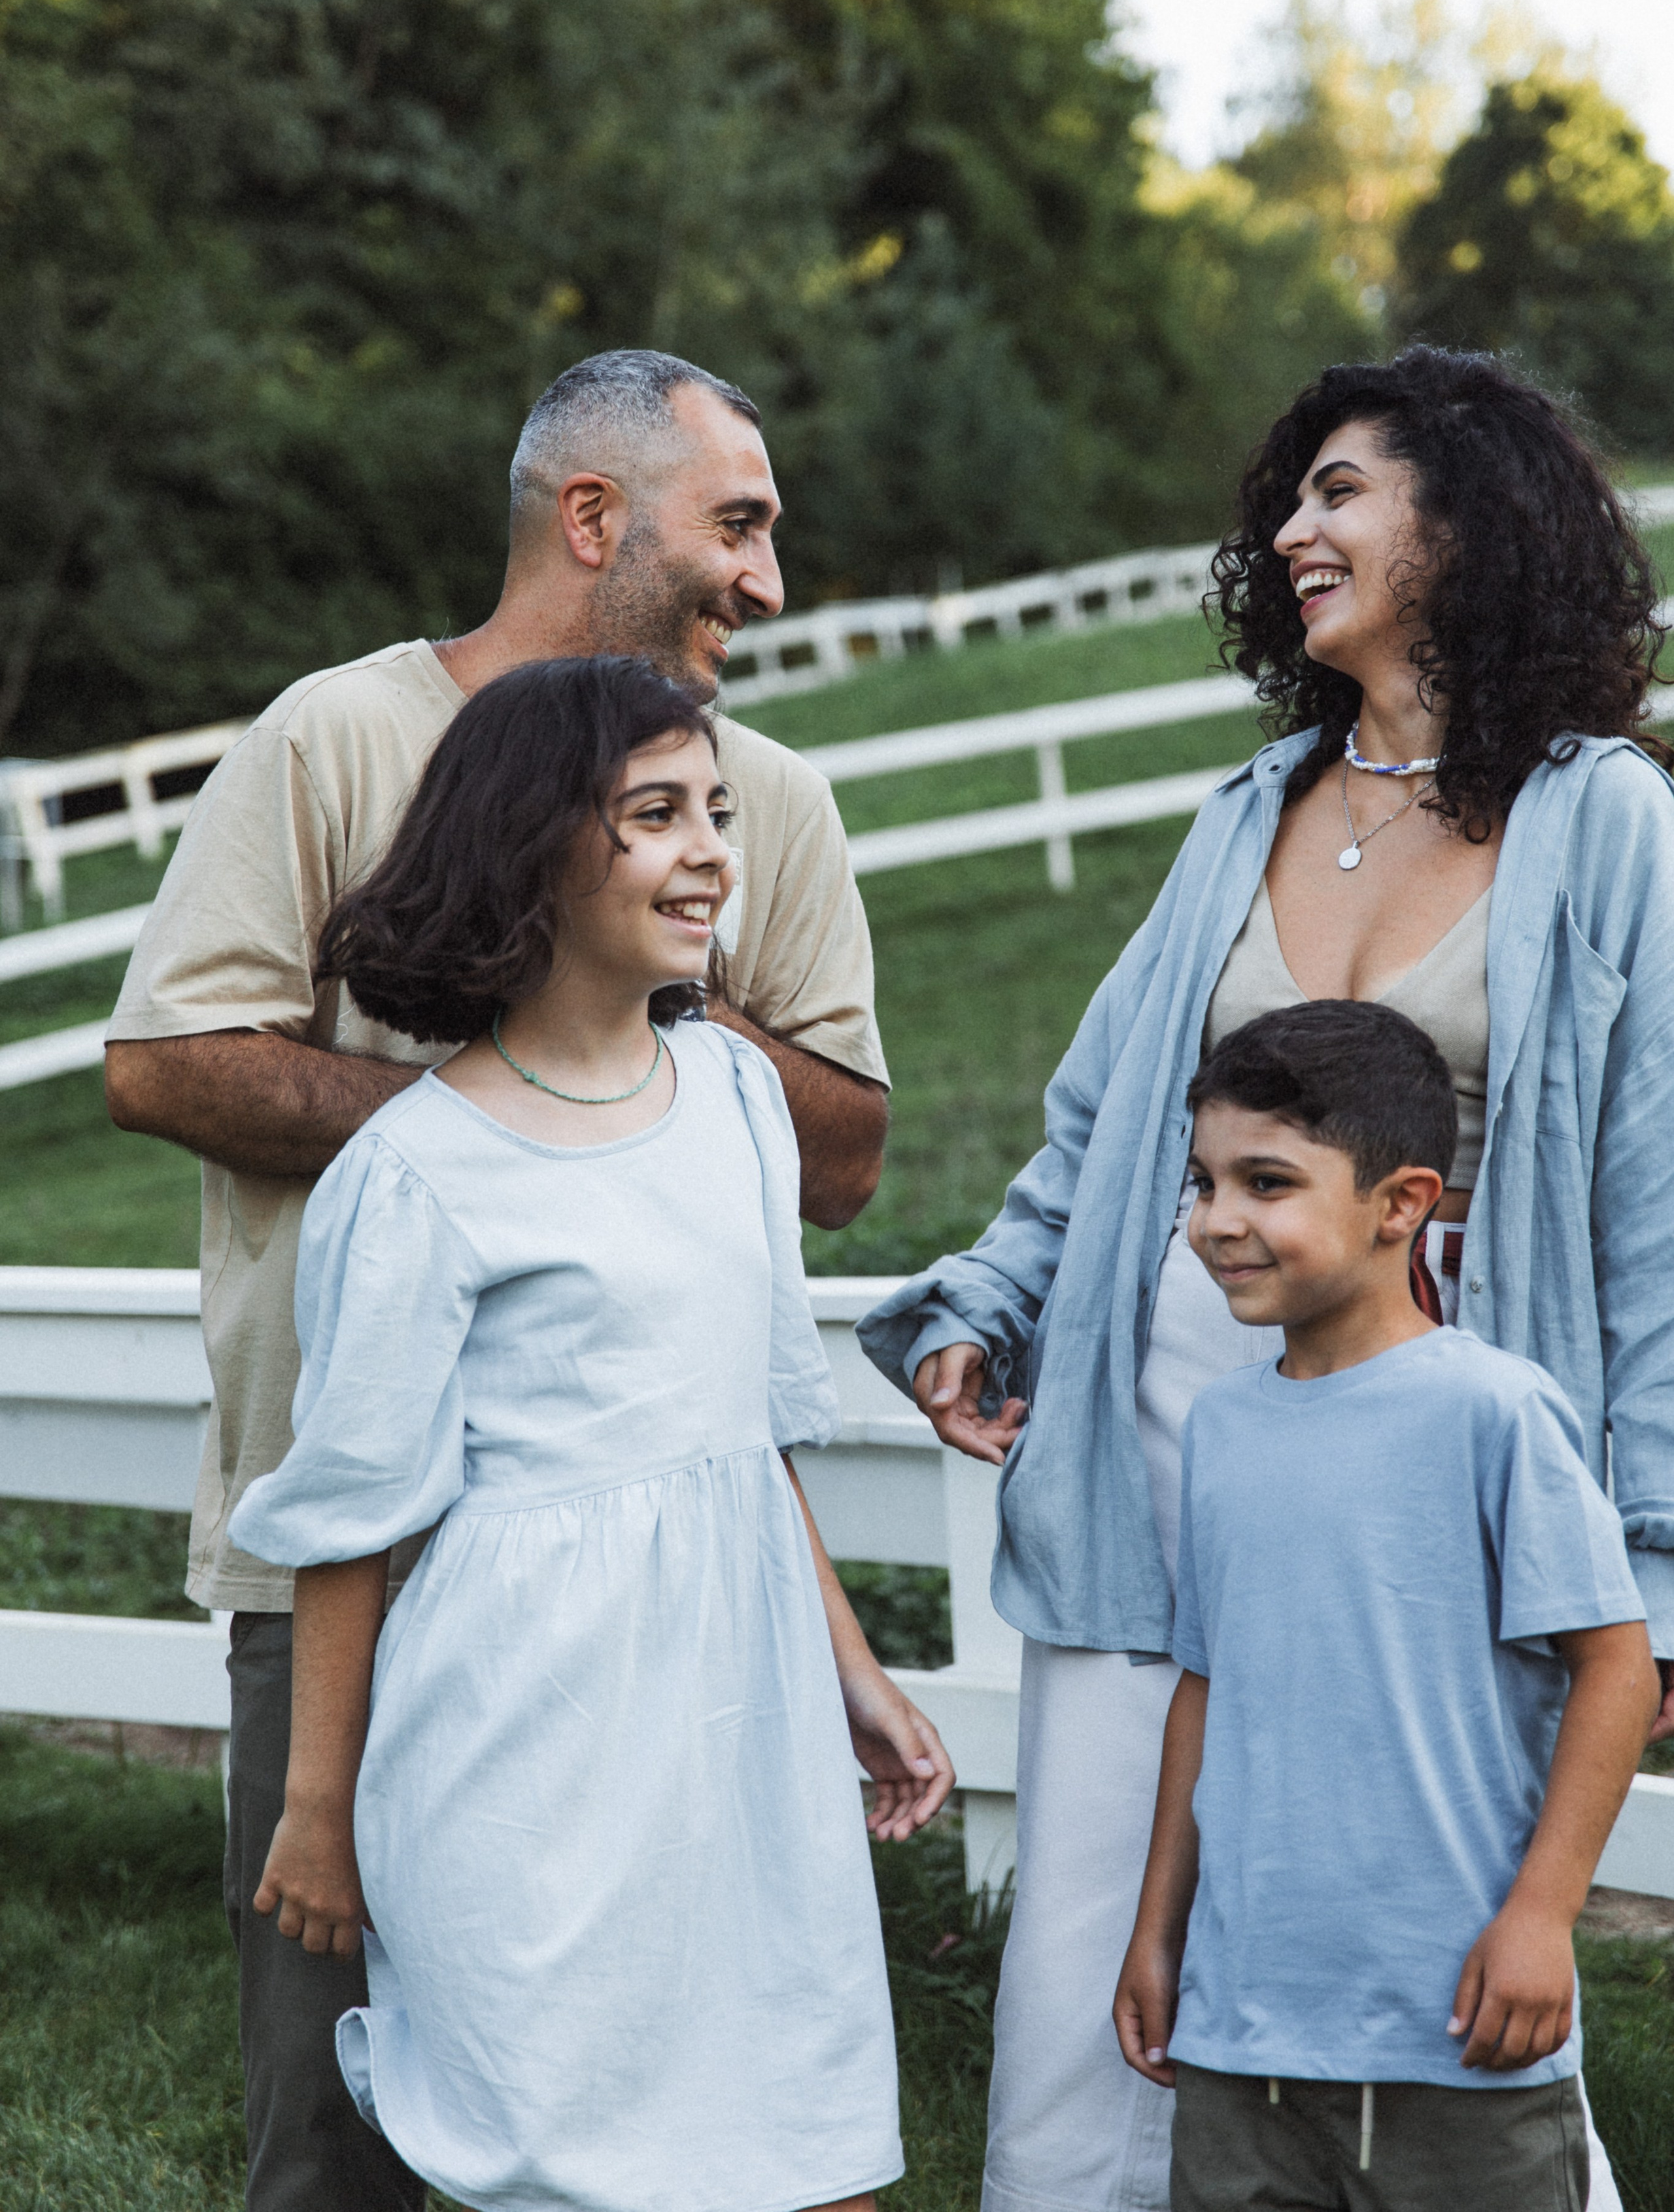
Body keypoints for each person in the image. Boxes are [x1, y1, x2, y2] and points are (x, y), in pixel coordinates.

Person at [857, 345, 1674, 2212]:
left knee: (1416, 1863)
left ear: (1467, 523)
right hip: (1171, 1401)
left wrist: (1652, 1547)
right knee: (1099, 1870)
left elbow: (1661, 1206)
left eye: (1343, 492)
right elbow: (1106, 1118)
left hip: (1439, 1418)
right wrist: (991, 1303)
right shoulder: (1251, 811)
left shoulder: (1609, 818)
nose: (1295, 530)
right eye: (1290, 502)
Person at [104, 349, 892, 2212]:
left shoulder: (754, 796)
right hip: (365, 1557)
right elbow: (162, 1064)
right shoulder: (335, 739)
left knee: (729, 2082)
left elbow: (841, 1151)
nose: (769, 584)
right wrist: (491, 1122)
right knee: (352, 2118)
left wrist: (646, 1043)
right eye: (742, 526)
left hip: (685, 1610)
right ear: (593, 517)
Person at [226, 655, 949, 2212]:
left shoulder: (741, 1103)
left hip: (737, 1727)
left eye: (717, 813)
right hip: (528, 1741)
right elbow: (356, 1520)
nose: (711, 853)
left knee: (813, 2151)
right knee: (577, 2163)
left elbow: (749, 1429)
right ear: (539, 847)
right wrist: (314, 1808)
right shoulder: (417, 1174)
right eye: (655, 817)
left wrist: (852, 1671)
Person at [1113, 1001, 1657, 2212]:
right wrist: (1161, 1933)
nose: (1218, 1222)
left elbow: (1618, 1666)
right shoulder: (1223, 1428)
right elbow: (1206, 1690)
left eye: (1267, 1182)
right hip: (1242, 2039)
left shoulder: (1491, 1413)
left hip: (1457, 2036)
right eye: (1201, 1183)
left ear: (1401, 1202)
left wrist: (1544, 1914)